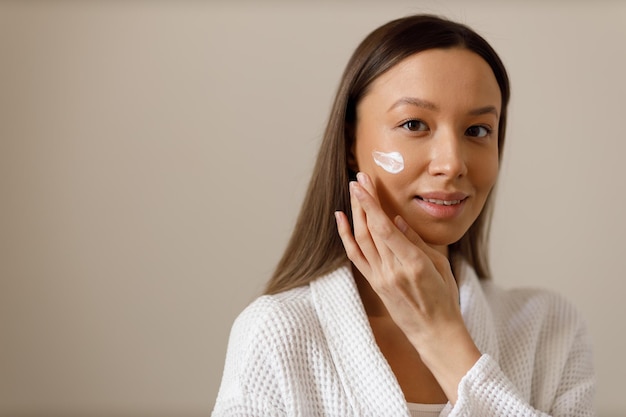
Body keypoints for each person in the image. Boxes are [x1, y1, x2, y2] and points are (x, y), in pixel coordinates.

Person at [212, 14, 596, 417]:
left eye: (478, 130)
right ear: (349, 143)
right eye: (414, 124)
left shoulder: (549, 330)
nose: (452, 164)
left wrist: (443, 338)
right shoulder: (277, 333)